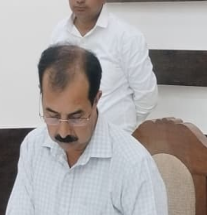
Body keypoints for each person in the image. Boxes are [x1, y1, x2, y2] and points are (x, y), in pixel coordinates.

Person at [4, 44, 174, 215]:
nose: (63, 131)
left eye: (76, 117)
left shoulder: (131, 161)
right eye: (52, 115)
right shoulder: (33, 147)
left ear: (96, 99)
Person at [51, 0, 158, 134]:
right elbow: (54, 88)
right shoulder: (59, 33)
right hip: (67, 136)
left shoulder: (127, 37)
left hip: (115, 137)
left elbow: (147, 96)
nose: (79, 1)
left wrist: (123, 130)